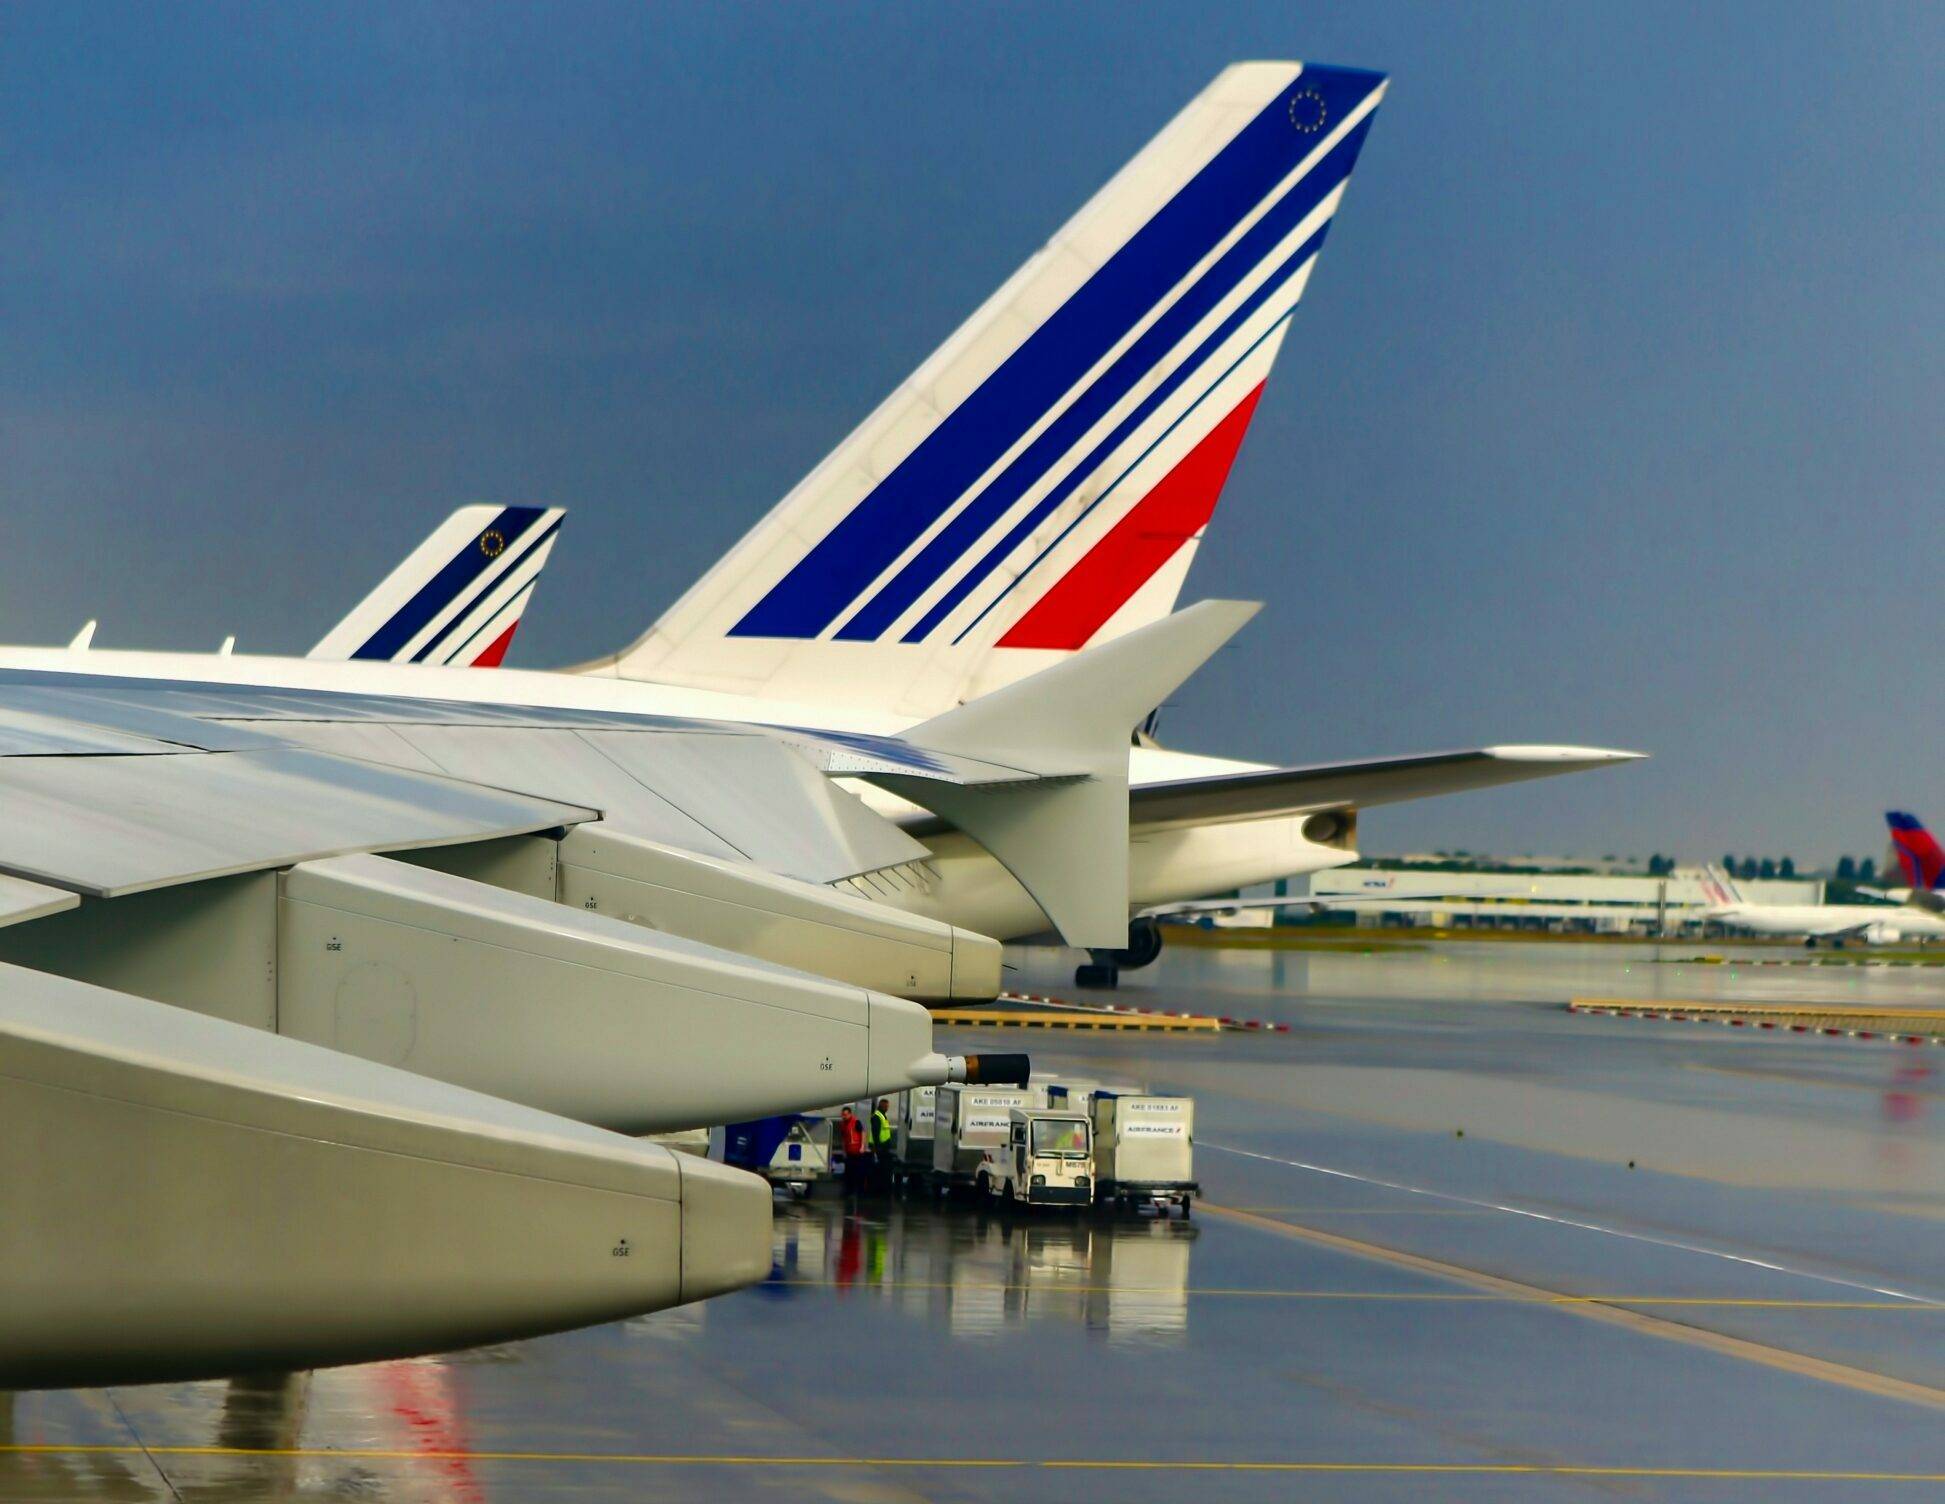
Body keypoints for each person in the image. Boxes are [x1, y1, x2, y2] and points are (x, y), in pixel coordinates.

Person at [836, 1105, 866, 1192]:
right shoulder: (843, 1124)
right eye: (843, 1115)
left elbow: (863, 1133)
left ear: (850, 1114)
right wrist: (843, 1151)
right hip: (849, 1151)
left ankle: (859, 1189)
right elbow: (843, 1138)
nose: (844, 1117)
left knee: (859, 1171)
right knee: (849, 1171)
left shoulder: (856, 1122)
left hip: (857, 1151)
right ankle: (849, 1189)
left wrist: (862, 1146)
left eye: (845, 1115)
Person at [870, 1098, 895, 1191]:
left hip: (884, 1147)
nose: (887, 1108)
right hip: (881, 1147)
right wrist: (877, 1147)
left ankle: (883, 1186)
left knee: (884, 1169)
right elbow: (876, 1132)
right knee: (882, 1169)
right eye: (886, 1106)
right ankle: (881, 1187)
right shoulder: (877, 1116)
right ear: (882, 1106)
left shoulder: (882, 1116)